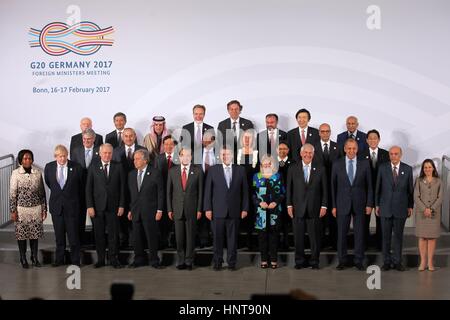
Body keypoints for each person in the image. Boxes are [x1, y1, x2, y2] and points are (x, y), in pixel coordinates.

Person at [203, 146, 249, 270]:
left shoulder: (240, 170)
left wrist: (245, 208)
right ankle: (217, 262)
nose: (225, 156)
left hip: (234, 210)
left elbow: (245, 191)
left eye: (227, 154)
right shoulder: (213, 170)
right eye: (223, 154)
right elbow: (208, 191)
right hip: (217, 211)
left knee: (233, 239)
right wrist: (207, 208)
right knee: (217, 239)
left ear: (232, 156)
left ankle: (232, 263)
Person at [331, 139, 373, 270]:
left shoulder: (365, 163)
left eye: (354, 148)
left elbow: (370, 186)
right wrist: (333, 205)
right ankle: (342, 260)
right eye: (349, 148)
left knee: (360, 233)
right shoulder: (337, 164)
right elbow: (333, 186)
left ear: (357, 149)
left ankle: (358, 260)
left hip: (360, 203)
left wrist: (369, 204)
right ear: (344, 149)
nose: (351, 151)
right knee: (341, 233)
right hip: (342, 203)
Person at [286, 144, 327, 269]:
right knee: (298, 237)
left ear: (313, 154)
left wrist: (324, 206)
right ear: (301, 153)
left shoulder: (320, 169)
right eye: (305, 152)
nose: (308, 155)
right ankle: (299, 261)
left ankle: (315, 262)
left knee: (315, 238)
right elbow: (289, 189)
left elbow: (325, 190)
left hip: (314, 208)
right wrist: (289, 205)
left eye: (310, 153)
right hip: (297, 208)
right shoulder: (293, 168)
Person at [86, 143, 126, 268]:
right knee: (99, 235)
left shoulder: (118, 167)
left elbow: (123, 188)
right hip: (97, 208)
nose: (107, 155)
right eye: (105, 153)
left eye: (109, 153)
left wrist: (121, 205)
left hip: (114, 207)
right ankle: (101, 260)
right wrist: (90, 206)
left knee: (114, 235)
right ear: (100, 153)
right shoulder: (93, 167)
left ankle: (114, 259)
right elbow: (88, 189)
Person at [376, 146, 413, 271]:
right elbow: (378, 188)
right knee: (385, 237)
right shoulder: (382, 168)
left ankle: (397, 262)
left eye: (396, 154)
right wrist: (377, 205)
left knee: (398, 237)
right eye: (391, 154)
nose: (393, 156)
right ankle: (386, 261)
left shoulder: (408, 169)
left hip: (400, 209)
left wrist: (410, 206)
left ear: (400, 155)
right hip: (385, 208)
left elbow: (410, 191)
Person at [44, 145, 83, 266]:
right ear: (55, 156)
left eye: (65, 156)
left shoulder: (76, 167)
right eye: (60, 156)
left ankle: (75, 261)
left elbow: (80, 185)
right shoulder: (49, 167)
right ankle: (59, 260)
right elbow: (49, 183)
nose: (62, 159)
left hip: (71, 207)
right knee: (59, 236)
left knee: (73, 236)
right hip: (57, 207)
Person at [167, 148, 204, 270]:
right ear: (179, 156)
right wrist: (169, 209)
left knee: (190, 237)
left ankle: (189, 261)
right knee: (179, 238)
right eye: (183, 155)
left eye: (188, 155)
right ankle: (181, 260)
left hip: (192, 209)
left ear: (191, 157)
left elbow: (200, 193)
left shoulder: (198, 171)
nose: (185, 157)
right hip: (177, 209)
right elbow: (169, 192)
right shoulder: (172, 171)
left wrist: (199, 209)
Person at [10, 149, 47, 268]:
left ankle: (34, 257)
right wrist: (13, 211)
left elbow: (42, 193)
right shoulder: (16, 173)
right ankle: (23, 258)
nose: (28, 160)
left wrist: (44, 209)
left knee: (34, 235)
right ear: (21, 160)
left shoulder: (37, 173)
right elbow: (12, 194)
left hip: (36, 209)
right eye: (25, 158)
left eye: (30, 158)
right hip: (21, 210)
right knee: (22, 235)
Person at [127, 149, 164, 269]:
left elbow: (160, 192)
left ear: (145, 160)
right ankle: (138, 259)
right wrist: (130, 210)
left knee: (151, 237)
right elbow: (131, 194)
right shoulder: (131, 174)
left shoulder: (155, 172)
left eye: (137, 159)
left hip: (150, 211)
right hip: (136, 211)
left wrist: (159, 210)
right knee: (137, 237)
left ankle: (154, 260)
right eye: (134, 159)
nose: (135, 161)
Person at [112, 128, 146, 247]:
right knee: (122, 213)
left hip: (138, 187)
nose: (128, 138)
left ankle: (135, 240)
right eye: (126, 136)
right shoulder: (115, 151)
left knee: (136, 213)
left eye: (131, 136)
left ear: (135, 136)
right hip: (121, 188)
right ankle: (123, 240)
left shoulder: (143, 150)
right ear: (122, 137)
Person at [252, 155, 285, 269]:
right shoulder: (256, 177)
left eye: (269, 164)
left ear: (272, 165)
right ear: (261, 166)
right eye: (264, 164)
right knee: (262, 237)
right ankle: (264, 260)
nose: (266, 166)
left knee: (274, 237)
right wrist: (259, 203)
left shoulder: (278, 176)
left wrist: (276, 202)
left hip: (275, 212)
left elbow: (282, 193)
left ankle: (274, 260)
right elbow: (252, 194)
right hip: (261, 212)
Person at [359, 129, 389, 249]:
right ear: (366, 140)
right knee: (363, 221)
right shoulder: (360, 154)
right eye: (370, 138)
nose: (372, 140)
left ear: (379, 140)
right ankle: (364, 245)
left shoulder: (385, 154)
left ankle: (380, 245)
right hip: (364, 192)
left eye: (375, 138)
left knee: (380, 220)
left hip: (381, 193)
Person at [314, 123, 342, 249]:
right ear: (319, 133)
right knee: (319, 218)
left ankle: (334, 243)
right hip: (318, 188)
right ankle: (320, 243)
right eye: (322, 131)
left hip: (335, 187)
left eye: (327, 131)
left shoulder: (338, 147)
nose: (325, 133)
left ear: (330, 132)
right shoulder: (313, 148)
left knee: (333, 217)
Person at [70, 128, 100, 245]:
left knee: (96, 217)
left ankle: (96, 242)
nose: (86, 141)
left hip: (96, 189)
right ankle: (80, 241)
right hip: (80, 188)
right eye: (84, 139)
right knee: (80, 216)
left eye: (89, 139)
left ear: (94, 139)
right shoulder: (76, 151)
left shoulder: (100, 150)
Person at [414, 159, 443, 271]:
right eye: (425, 167)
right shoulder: (419, 180)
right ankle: (423, 262)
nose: (427, 169)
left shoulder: (439, 181)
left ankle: (430, 262)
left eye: (429, 167)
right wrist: (424, 209)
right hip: (422, 214)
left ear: (433, 168)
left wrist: (431, 209)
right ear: (423, 169)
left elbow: (440, 197)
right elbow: (416, 196)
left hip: (433, 214)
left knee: (431, 238)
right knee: (422, 238)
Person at [154, 135, 179, 248]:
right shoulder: (158, 158)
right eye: (166, 144)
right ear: (163, 146)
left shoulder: (180, 158)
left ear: (174, 146)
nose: (169, 146)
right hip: (162, 193)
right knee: (163, 218)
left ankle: (174, 240)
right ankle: (164, 240)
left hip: (176, 193)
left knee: (174, 217)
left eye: (171, 144)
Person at [237, 129, 259, 249]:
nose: (246, 140)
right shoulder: (237, 154)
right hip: (239, 190)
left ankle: (251, 242)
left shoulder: (257, 153)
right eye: (244, 137)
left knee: (251, 216)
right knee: (239, 215)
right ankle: (240, 242)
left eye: (249, 138)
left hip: (253, 190)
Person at [276, 142, 295, 250]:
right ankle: (277, 242)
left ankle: (287, 242)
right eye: (280, 149)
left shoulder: (293, 162)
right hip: (277, 197)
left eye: (284, 149)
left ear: (288, 150)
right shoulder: (273, 162)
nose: (282, 151)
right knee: (277, 220)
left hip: (290, 196)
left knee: (287, 221)